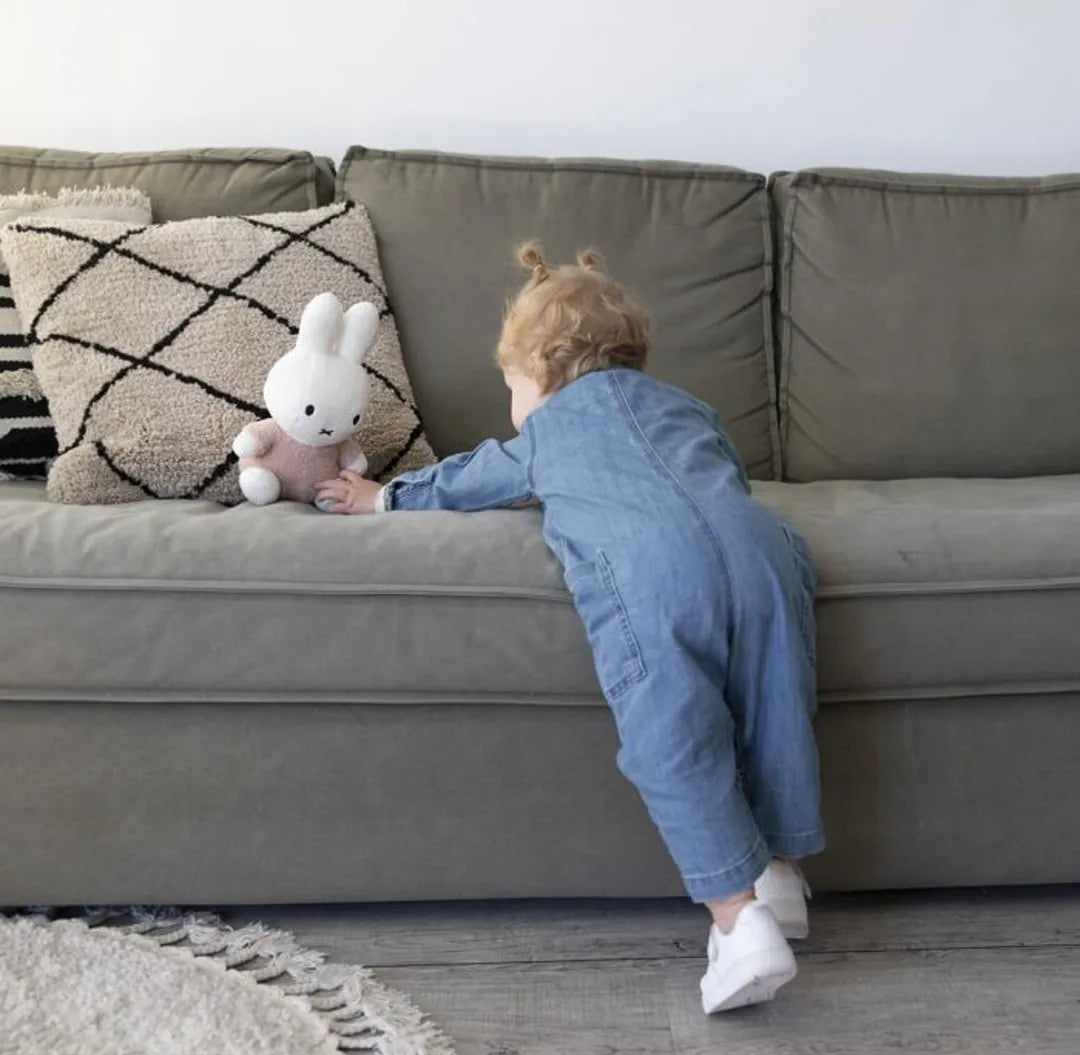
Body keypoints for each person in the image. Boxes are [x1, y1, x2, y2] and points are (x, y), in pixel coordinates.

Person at [315, 244, 824, 1013]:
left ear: (543, 376)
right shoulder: (690, 409)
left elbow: (476, 474)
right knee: (774, 702)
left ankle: (739, 922)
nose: (514, 404)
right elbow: (717, 475)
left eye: (512, 387)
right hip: (764, 552)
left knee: (674, 734)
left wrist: (383, 498)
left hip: (655, 571)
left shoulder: (548, 432)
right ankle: (781, 874)